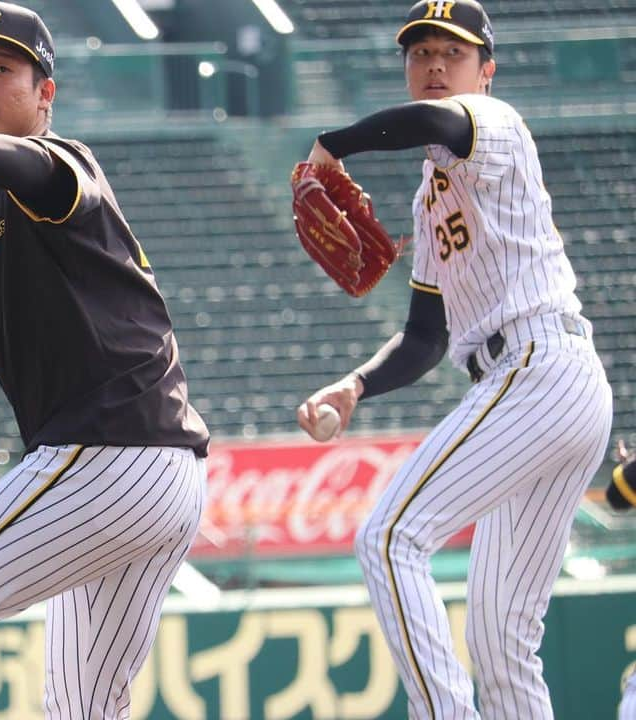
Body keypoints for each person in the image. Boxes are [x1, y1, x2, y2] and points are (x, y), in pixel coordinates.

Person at [0, 2, 209, 718]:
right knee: (84, 702)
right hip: (156, 476)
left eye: (1, 70)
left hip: (111, 455)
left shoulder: (62, 168)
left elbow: (30, 166)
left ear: (44, 92)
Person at [296, 1, 613, 718]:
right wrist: (355, 386)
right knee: (502, 639)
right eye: (420, 54)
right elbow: (424, 338)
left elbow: (432, 123)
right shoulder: (430, 197)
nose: (435, 66)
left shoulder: (493, 124)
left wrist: (330, 145)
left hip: (539, 371)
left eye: (453, 53)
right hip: (549, 384)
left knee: (389, 536)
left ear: (486, 71)